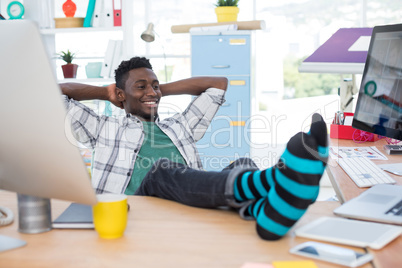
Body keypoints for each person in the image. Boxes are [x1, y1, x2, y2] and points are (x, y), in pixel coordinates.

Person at [61, 56, 329, 240]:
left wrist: (156, 89)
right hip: (135, 215)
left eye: (155, 86)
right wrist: (108, 92)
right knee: (161, 171)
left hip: (188, 208)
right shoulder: (103, 128)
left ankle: (266, 216)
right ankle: (275, 184)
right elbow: (54, 92)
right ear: (121, 95)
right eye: (140, 87)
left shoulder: (181, 125)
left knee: (243, 163)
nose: (151, 93)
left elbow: (218, 84)